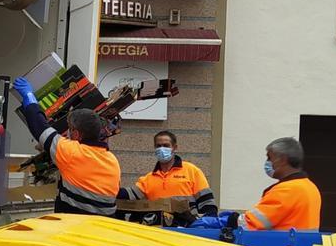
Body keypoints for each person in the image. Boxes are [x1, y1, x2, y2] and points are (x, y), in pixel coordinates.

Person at [13, 77, 121, 216]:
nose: (67, 133)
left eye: (69, 128)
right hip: (103, 226)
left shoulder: (71, 152)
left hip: (75, 225)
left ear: (76, 133)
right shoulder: (112, 160)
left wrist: (28, 95)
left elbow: (39, 126)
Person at [119, 131, 218, 217]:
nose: (162, 149)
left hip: (187, 228)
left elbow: (207, 201)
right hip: (160, 228)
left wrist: (208, 224)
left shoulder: (191, 171)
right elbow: (129, 194)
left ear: (174, 148)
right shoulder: (148, 179)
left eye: (166, 145)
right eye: (158, 146)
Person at [241, 137, 322, 231]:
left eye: (269, 158)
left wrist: (230, 220)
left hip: (280, 245)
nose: (267, 162)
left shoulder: (287, 190)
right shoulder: (309, 186)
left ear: (283, 160)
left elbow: (250, 224)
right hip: (301, 244)